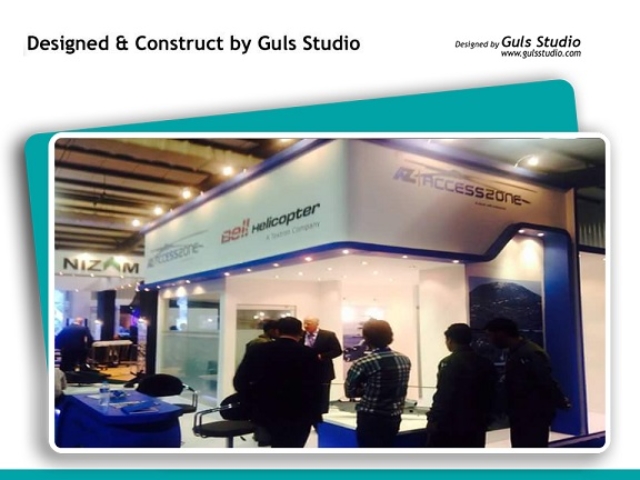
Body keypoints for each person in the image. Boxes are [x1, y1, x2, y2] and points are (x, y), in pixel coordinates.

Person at [233, 316, 323, 448]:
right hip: (299, 412)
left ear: (277, 331)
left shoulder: (258, 350)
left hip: (266, 409)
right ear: (300, 333)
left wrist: (253, 401)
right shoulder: (309, 354)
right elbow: (316, 386)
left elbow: (240, 381)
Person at [484, 317, 571, 448]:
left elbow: (545, 381)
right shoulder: (518, 351)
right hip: (522, 414)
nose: (490, 340)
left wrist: (559, 401)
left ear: (501, 333)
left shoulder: (529, 353)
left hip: (533, 415)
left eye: (490, 336)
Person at [425, 323, 497, 448]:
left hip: (451, 423)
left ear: (450, 340)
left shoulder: (448, 363)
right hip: (477, 421)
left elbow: (444, 395)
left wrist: (434, 418)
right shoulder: (485, 363)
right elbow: (491, 393)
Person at [344, 319, 411, 448]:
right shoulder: (404, 359)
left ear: (366, 338)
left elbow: (350, 392)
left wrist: (367, 388)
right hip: (394, 416)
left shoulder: (362, 363)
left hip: (370, 418)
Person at [302, 316, 343, 413]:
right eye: (305, 323)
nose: (306, 326)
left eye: (309, 323)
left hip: (323, 371)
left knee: (323, 396)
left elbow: (337, 351)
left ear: (316, 324)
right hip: (304, 371)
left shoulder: (328, 335)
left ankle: (322, 415)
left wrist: (322, 356)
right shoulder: (300, 335)